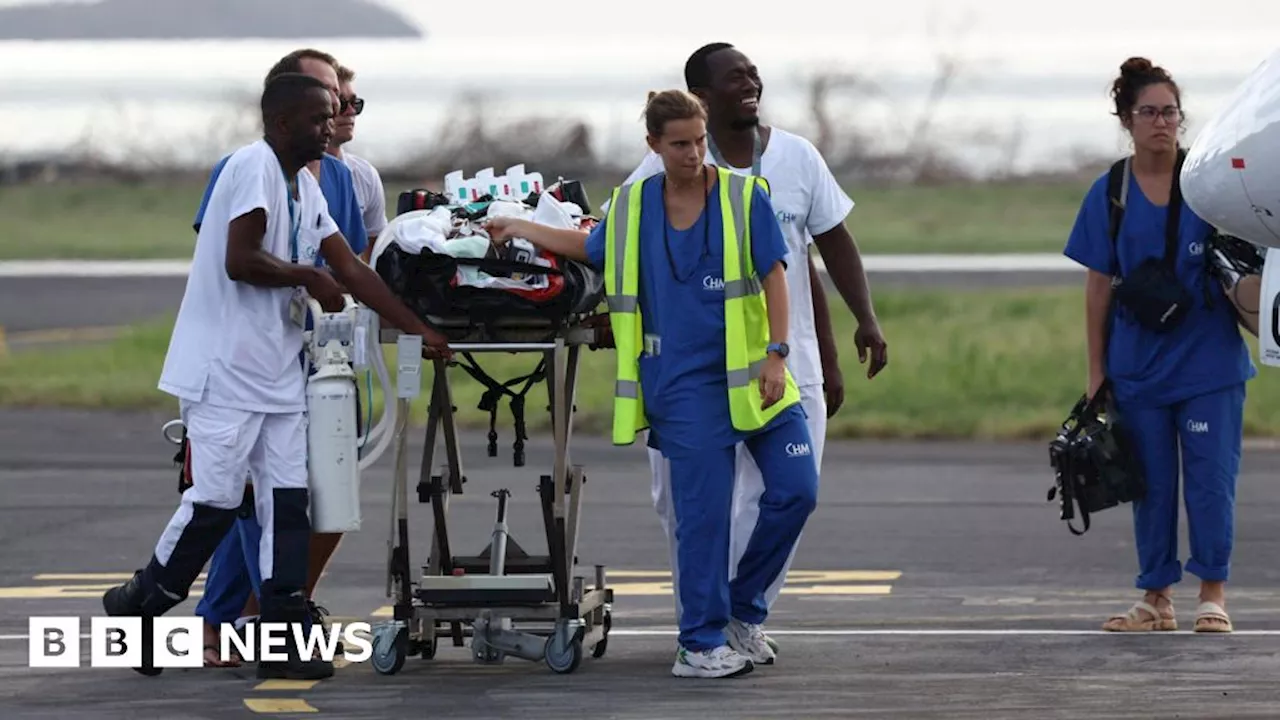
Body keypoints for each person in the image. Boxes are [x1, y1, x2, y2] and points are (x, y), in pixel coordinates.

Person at [101, 72, 451, 680]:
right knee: (213, 501)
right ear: (282, 122)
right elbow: (241, 259)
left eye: (334, 115)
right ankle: (140, 603)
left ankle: (282, 633)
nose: (330, 127)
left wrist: (418, 328)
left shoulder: (303, 187)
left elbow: (351, 269)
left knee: (288, 503)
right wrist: (308, 278)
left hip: (277, 373)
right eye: (319, 118)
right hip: (223, 370)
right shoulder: (250, 167)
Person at [484, 89, 819, 679]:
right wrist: (524, 228)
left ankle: (742, 610)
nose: (693, 153)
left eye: (699, 140)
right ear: (654, 146)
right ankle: (699, 644)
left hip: (757, 378)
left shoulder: (744, 197)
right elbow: (591, 248)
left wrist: (778, 354)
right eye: (679, 144)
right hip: (682, 385)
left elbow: (775, 275)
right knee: (704, 519)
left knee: (797, 491)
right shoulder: (634, 205)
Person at [612, 42, 888, 652]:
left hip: (785, 362)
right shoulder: (663, 169)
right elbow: (613, 241)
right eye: (735, 76)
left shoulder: (796, 157)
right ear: (702, 99)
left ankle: (741, 616)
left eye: (753, 73)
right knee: (689, 507)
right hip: (694, 372)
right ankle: (702, 631)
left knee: (786, 494)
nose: (751, 82)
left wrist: (857, 328)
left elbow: (819, 253)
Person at [189, 48, 369, 668]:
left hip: (319, 353)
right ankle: (224, 620)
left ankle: (286, 611)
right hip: (248, 359)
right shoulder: (243, 168)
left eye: (346, 102)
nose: (338, 113)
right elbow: (228, 256)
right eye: (326, 101)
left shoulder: (349, 178)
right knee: (249, 495)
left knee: (320, 495)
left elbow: (354, 264)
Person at [1062, 57, 1255, 634]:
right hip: (1138, 370)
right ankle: (1156, 597)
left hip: (1209, 367)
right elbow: (1098, 286)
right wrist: (1097, 372)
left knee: (1211, 481)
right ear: (1126, 119)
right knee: (1149, 488)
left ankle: (1212, 594)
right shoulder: (1111, 191)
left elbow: (1250, 259)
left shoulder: (1210, 184)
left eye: (1170, 112)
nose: (1161, 123)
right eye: (1148, 112)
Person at [327, 63, 387, 260]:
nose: (350, 112)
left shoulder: (364, 174)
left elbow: (374, 257)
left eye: (356, 103)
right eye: (341, 104)